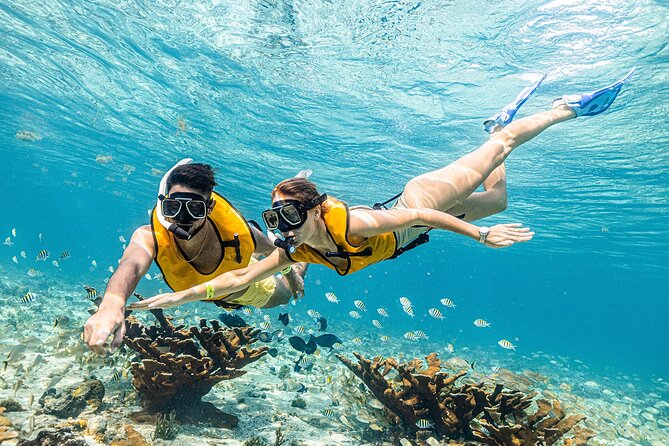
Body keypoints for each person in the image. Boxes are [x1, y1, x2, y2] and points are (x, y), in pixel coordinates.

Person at [128, 69, 635, 311]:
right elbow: (232, 280)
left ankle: (567, 107)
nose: (278, 229)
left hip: (422, 201)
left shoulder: (353, 223)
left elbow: (427, 219)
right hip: (411, 233)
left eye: (287, 217)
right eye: (273, 218)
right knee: (499, 197)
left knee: (501, 147)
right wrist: (171, 301)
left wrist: (478, 238)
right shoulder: (296, 248)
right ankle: (496, 131)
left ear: (313, 210)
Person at [84, 161, 308, 354]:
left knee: (286, 294)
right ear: (163, 205)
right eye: (173, 207)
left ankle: (307, 239)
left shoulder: (240, 233)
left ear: (210, 208)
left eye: (194, 209)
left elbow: (277, 254)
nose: (183, 218)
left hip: (245, 285)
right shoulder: (149, 236)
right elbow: (131, 264)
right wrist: (112, 304)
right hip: (210, 287)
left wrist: (291, 274)